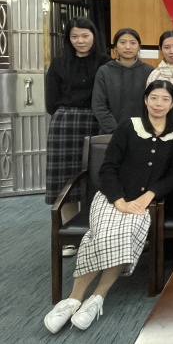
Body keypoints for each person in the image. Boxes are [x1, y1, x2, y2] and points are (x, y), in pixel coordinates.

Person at [43, 80, 173, 334]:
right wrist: (119, 200)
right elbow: (107, 168)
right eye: (154, 98)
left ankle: (97, 297)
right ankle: (73, 299)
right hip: (111, 198)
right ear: (145, 100)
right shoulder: (129, 127)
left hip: (144, 203)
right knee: (101, 234)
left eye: (165, 99)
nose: (159, 104)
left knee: (125, 234)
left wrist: (148, 196)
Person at [45, 18, 111, 259]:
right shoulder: (59, 62)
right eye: (74, 36)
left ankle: (94, 230)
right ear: (68, 38)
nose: (80, 41)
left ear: (94, 36)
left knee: (94, 178)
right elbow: (51, 101)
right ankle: (70, 236)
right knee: (64, 178)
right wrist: (67, 114)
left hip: (95, 121)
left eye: (85, 36)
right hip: (65, 123)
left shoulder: (105, 62)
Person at [92, 28, 154, 134]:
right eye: (122, 42)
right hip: (111, 133)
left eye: (133, 43)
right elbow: (99, 105)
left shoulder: (149, 71)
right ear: (115, 47)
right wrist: (116, 130)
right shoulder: (104, 71)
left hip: (143, 132)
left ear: (139, 47)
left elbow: (154, 104)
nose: (128, 47)